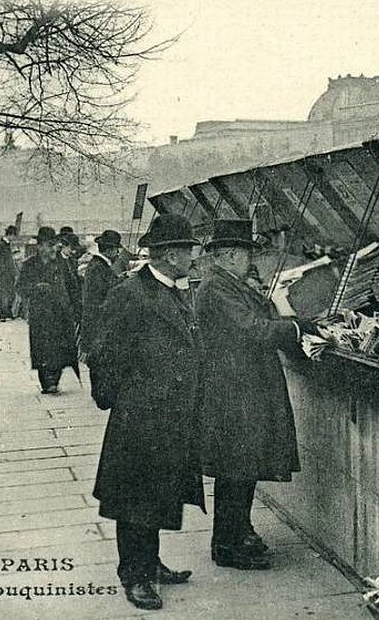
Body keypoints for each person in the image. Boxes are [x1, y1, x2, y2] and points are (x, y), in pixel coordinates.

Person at [87, 214, 204, 611]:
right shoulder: (131, 293)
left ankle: (150, 562)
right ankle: (133, 575)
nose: (193, 255)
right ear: (170, 254)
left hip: (168, 416)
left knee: (156, 492)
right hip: (140, 417)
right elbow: (101, 353)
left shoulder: (171, 289)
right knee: (135, 497)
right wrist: (125, 402)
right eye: (189, 249)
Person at [194, 218, 317, 570]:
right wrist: (295, 327)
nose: (251, 260)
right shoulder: (216, 287)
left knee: (243, 468)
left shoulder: (228, 282)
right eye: (248, 253)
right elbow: (252, 329)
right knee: (235, 470)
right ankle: (227, 546)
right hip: (234, 392)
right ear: (231, 254)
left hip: (243, 388)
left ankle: (240, 531)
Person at [17, 227, 79, 394]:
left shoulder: (61, 263)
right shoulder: (29, 265)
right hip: (41, 315)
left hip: (61, 314)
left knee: (59, 348)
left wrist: (75, 308)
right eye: (49, 245)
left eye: (54, 244)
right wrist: (36, 287)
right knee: (43, 349)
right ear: (39, 246)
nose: (53, 248)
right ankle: (47, 382)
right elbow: (20, 288)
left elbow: (72, 286)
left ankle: (54, 379)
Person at [79, 230, 122, 359]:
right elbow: (106, 292)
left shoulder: (97, 265)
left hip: (95, 321)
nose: (118, 254)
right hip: (98, 322)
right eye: (116, 250)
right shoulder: (99, 268)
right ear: (109, 251)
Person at [0, 225, 19, 321]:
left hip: (9, 274)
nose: (14, 238)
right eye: (14, 236)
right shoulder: (0, 245)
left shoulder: (6, 244)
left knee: (10, 293)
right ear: (10, 234)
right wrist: (4, 271)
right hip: (3, 274)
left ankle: (8, 312)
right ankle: (2, 315)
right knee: (2, 294)